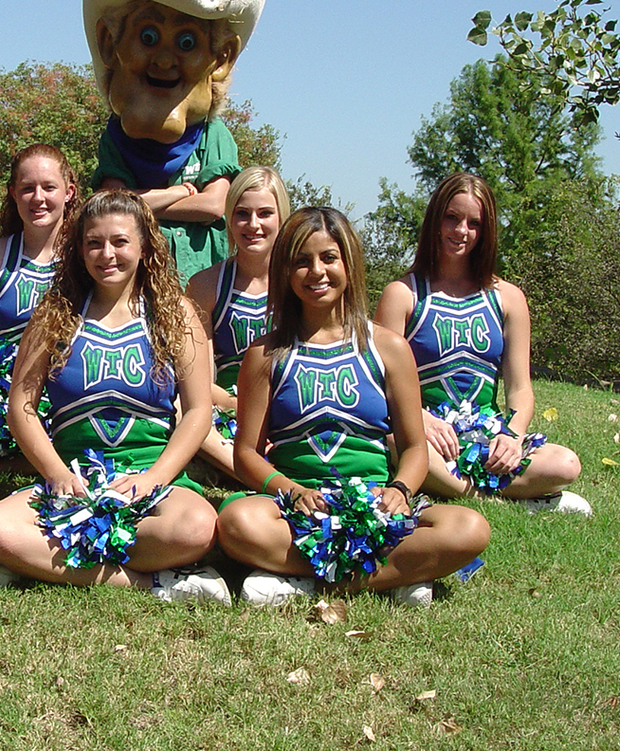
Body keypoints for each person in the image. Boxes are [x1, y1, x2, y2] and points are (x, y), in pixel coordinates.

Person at [217, 207, 490, 607]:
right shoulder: (265, 354)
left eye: (329, 257)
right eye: (301, 261)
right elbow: (245, 454)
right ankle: (394, 574)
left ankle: (308, 580)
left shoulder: (388, 348)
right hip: (300, 511)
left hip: (373, 504)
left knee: (469, 527)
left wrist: (399, 490)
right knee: (237, 522)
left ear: (349, 264)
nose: (316, 272)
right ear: (285, 272)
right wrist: (293, 492)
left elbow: (415, 447)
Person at [0, 190, 230, 604]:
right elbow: (22, 407)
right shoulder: (54, 313)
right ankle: (154, 584)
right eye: (94, 243)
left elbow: (198, 410)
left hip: (150, 476)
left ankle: (44, 560)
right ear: (78, 250)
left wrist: (154, 478)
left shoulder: (175, 313)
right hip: (73, 479)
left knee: (197, 527)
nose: (106, 254)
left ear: (145, 247)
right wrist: (57, 474)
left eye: (120, 241)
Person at [83, 0, 269, 282]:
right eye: (148, 36)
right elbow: (108, 208)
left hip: (200, 286)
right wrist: (181, 193)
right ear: (111, 43)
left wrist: (142, 201)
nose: (165, 60)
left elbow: (214, 205)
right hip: (134, 287)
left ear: (220, 58)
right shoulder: (116, 138)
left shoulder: (213, 136)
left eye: (187, 42)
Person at [374, 172, 590, 514]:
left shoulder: (508, 298)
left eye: (474, 223)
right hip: (427, 437)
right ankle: (491, 498)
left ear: (486, 231)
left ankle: (456, 484)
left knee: (565, 464)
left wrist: (512, 435)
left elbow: (520, 388)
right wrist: (421, 419)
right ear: (435, 221)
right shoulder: (402, 294)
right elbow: (380, 383)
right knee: (393, 442)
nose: (461, 231)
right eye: (452, 217)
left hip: (485, 440)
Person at [0, 144, 78, 462]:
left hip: (70, 385)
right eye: (27, 189)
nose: (38, 198)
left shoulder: (88, 258)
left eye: (49, 187)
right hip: (7, 393)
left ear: (68, 192)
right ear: (13, 194)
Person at [186, 166, 290, 478]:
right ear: (229, 218)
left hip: (288, 406)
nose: (253, 224)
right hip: (228, 409)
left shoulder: (300, 282)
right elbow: (199, 381)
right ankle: (251, 472)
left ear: (282, 218)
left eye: (265, 213)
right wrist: (237, 406)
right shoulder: (205, 285)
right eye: (242, 214)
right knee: (180, 407)